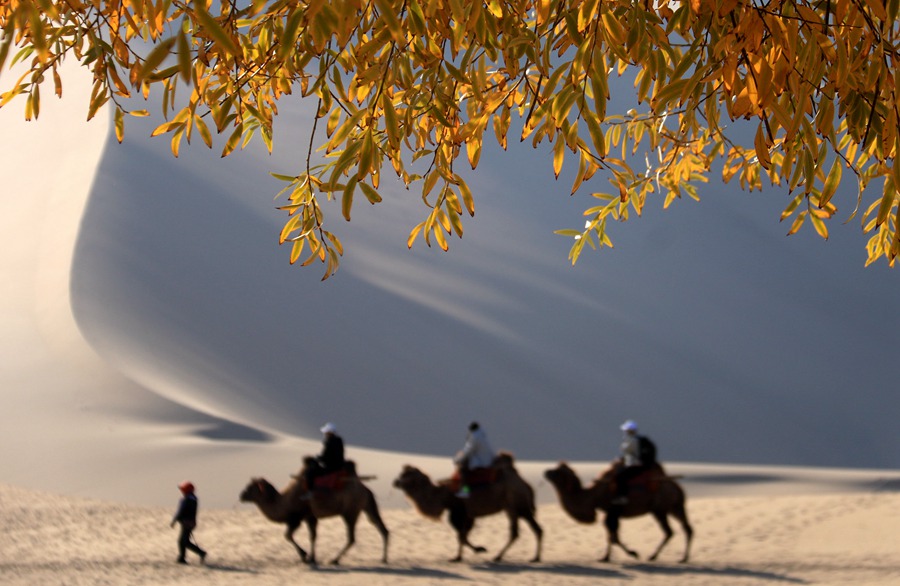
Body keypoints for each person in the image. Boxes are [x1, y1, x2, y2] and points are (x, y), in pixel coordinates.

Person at [612, 419, 657, 505]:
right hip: (636, 464)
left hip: (635, 465)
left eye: (626, 430)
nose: (625, 432)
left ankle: (622, 497)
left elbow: (626, 450)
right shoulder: (636, 440)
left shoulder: (632, 441)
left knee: (620, 478)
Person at [453, 421, 495, 497]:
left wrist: (457, 459)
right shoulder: (482, 435)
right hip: (488, 461)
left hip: (482, 463)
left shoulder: (475, 437)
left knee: (464, 471)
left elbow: (468, 450)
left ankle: (465, 491)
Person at [171, 481, 207, 565]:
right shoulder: (193, 498)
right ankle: (182, 558)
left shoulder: (186, 499)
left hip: (186, 522)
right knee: (182, 541)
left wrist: (175, 520)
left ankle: (200, 553)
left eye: (182, 489)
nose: (181, 491)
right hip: (191, 522)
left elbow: (181, 511)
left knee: (183, 541)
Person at [304, 422, 345, 494]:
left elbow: (326, 456)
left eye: (326, 432)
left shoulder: (330, 441)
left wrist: (317, 458)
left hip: (331, 466)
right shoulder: (338, 440)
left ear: (329, 432)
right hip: (338, 465)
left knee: (310, 472)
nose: (325, 434)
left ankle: (310, 491)